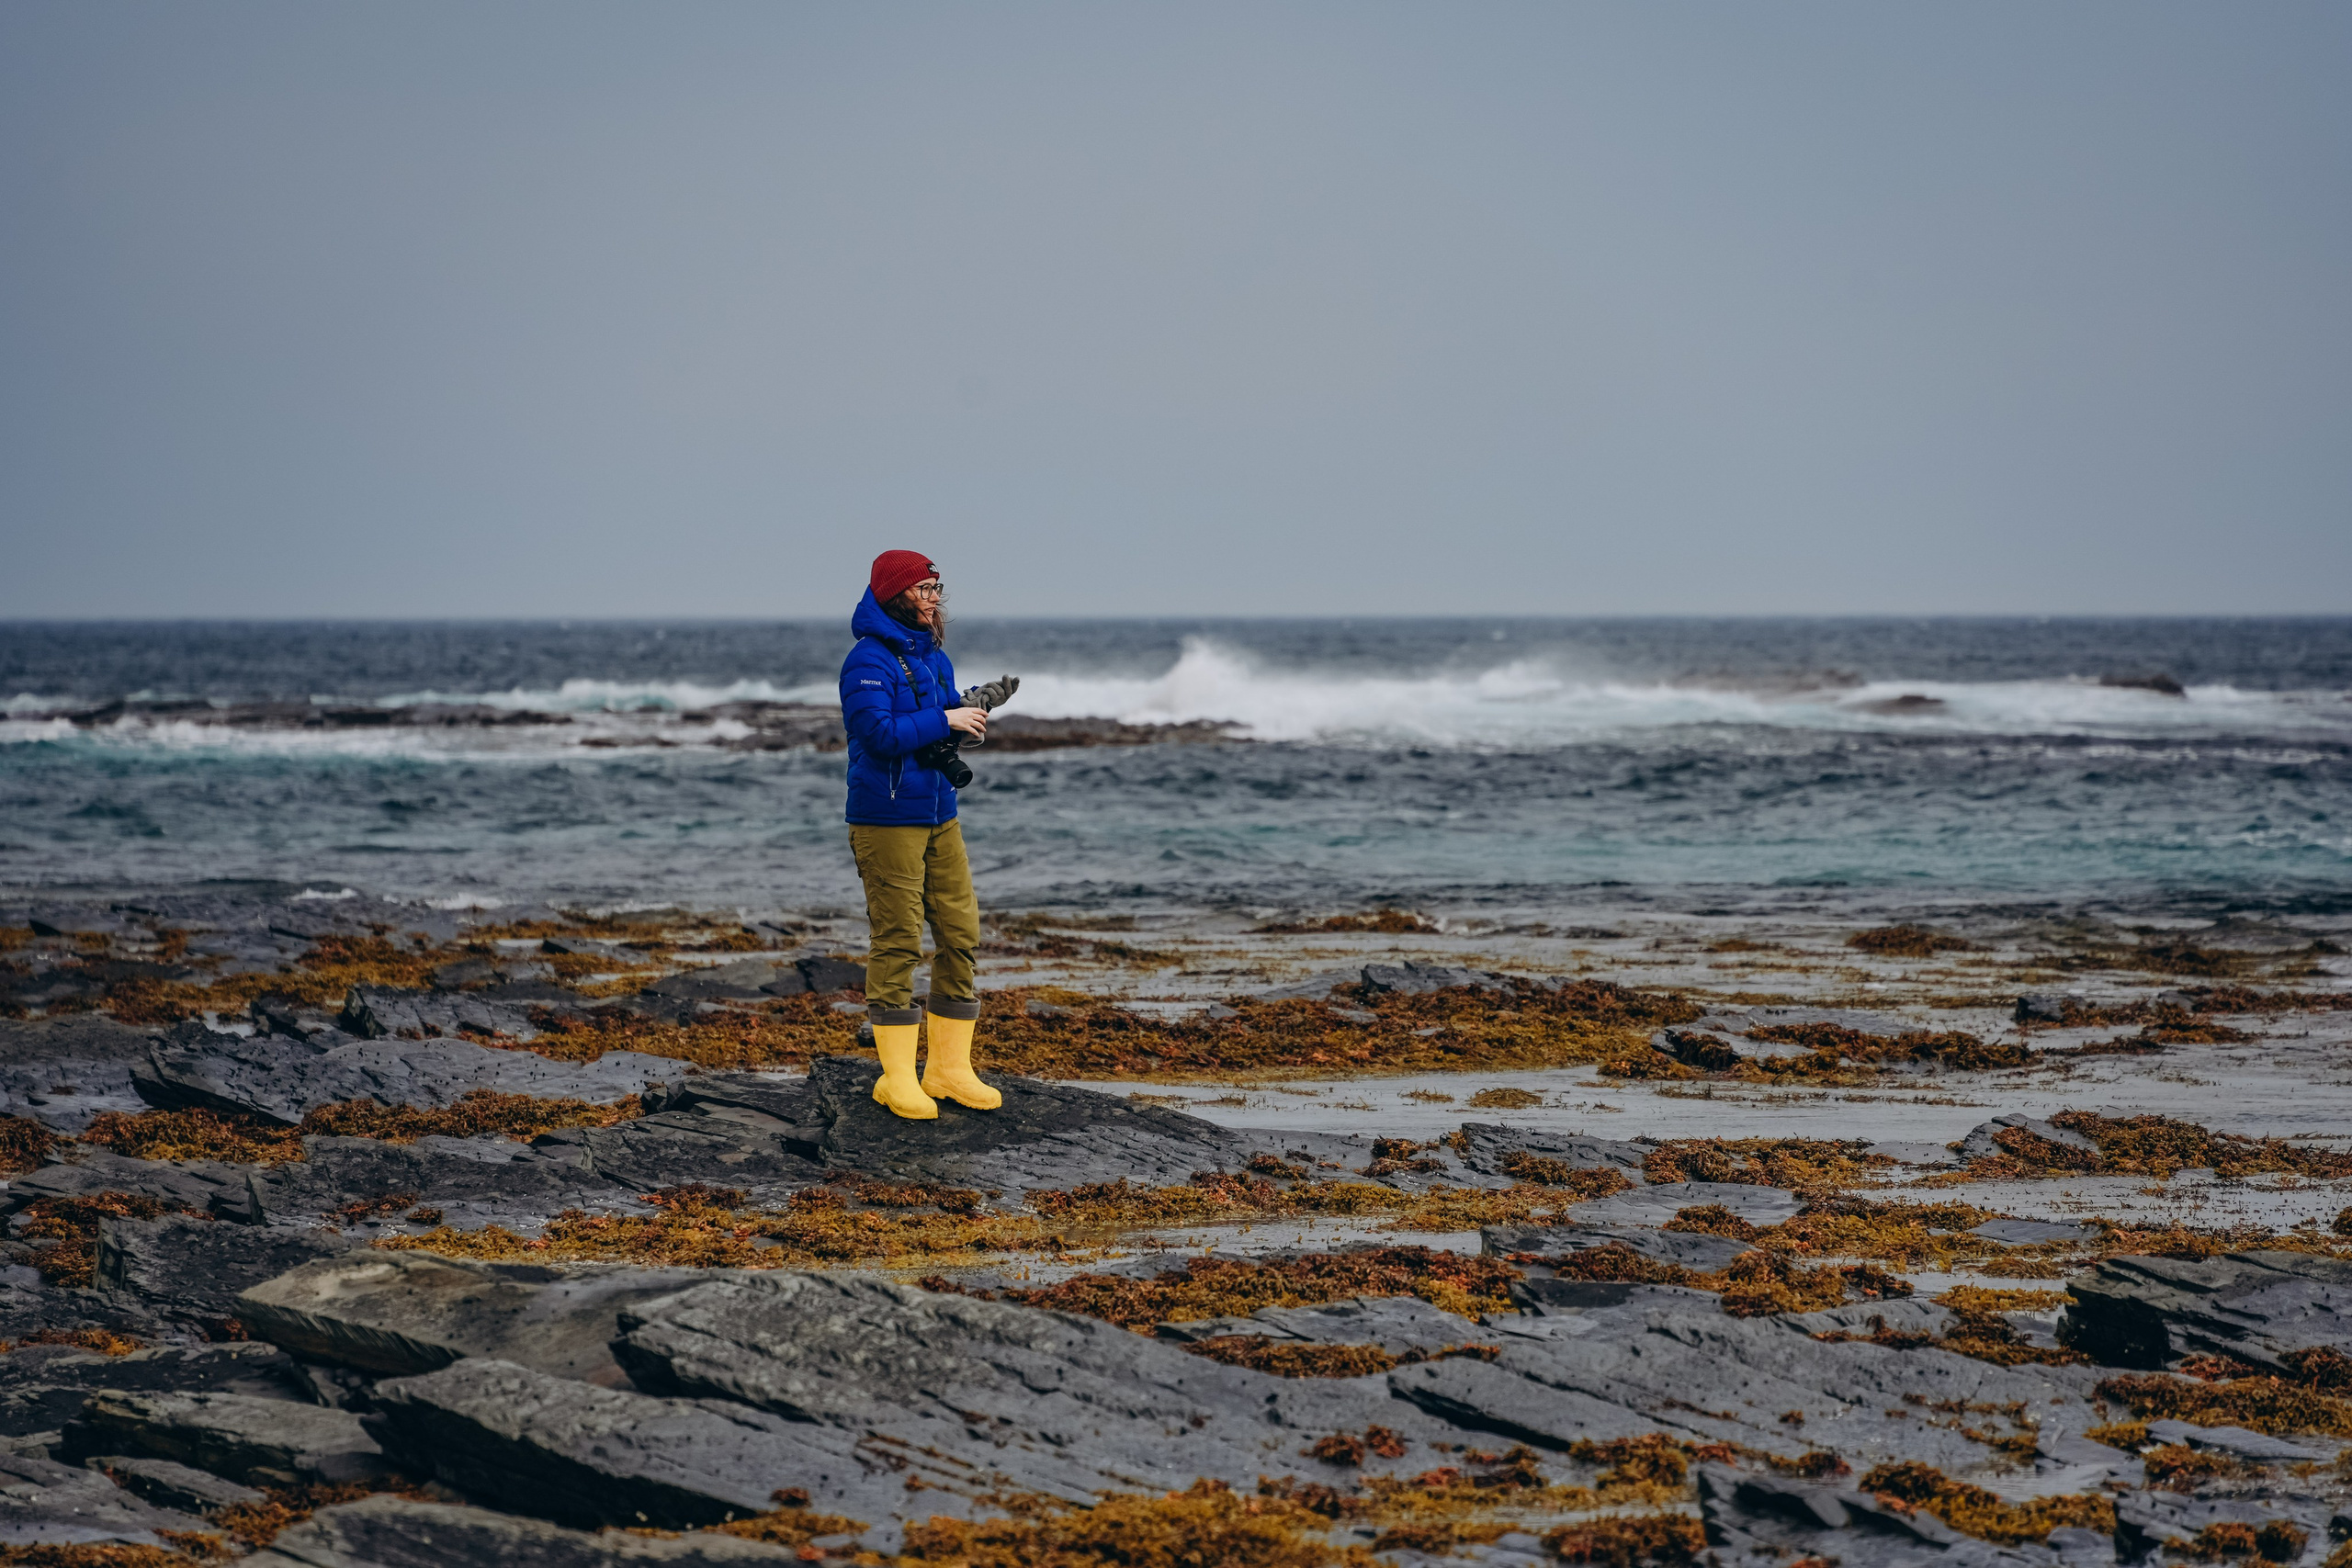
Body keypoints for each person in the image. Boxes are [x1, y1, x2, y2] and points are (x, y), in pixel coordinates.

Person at [839, 549, 999, 1120]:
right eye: (925, 589)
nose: (935, 598)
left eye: (937, 589)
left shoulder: (935, 659)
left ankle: (949, 1071)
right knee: (899, 940)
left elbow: (937, 726)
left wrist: (969, 711)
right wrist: (945, 720)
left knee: (960, 932)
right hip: (886, 820)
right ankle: (897, 1078)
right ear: (896, 593)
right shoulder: (866, 662)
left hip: (939, 813)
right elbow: (878, 734)